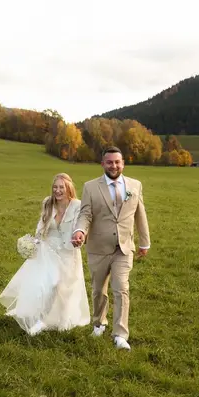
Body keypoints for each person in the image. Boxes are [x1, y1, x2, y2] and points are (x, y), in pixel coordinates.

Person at [71, 147, 150, 351]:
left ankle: (120, 335)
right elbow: (85, 213)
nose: (114, 166)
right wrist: (80, 231)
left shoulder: (135, 185)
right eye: (109, 162)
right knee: (99, 290)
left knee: (121, 288)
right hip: (98, 247)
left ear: (123, 163)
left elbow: (140, 214)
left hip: (124, 248)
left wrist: (144, 242)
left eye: (117, 162)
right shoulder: (90, 187)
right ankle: (99, 323)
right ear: (103, 164)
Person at [0, 173, 90, 336]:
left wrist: (80, 238)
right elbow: (41, 225)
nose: (58, 190)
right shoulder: (48, 203)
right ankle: (42, 319)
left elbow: (81, 227)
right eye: (55, 187)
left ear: (68, 188)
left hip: (68, 253)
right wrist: (33, 242)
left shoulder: (77, 205)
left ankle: (60, 319)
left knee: (63, 288)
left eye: (61, 187)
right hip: (48, 251)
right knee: (47, 285)